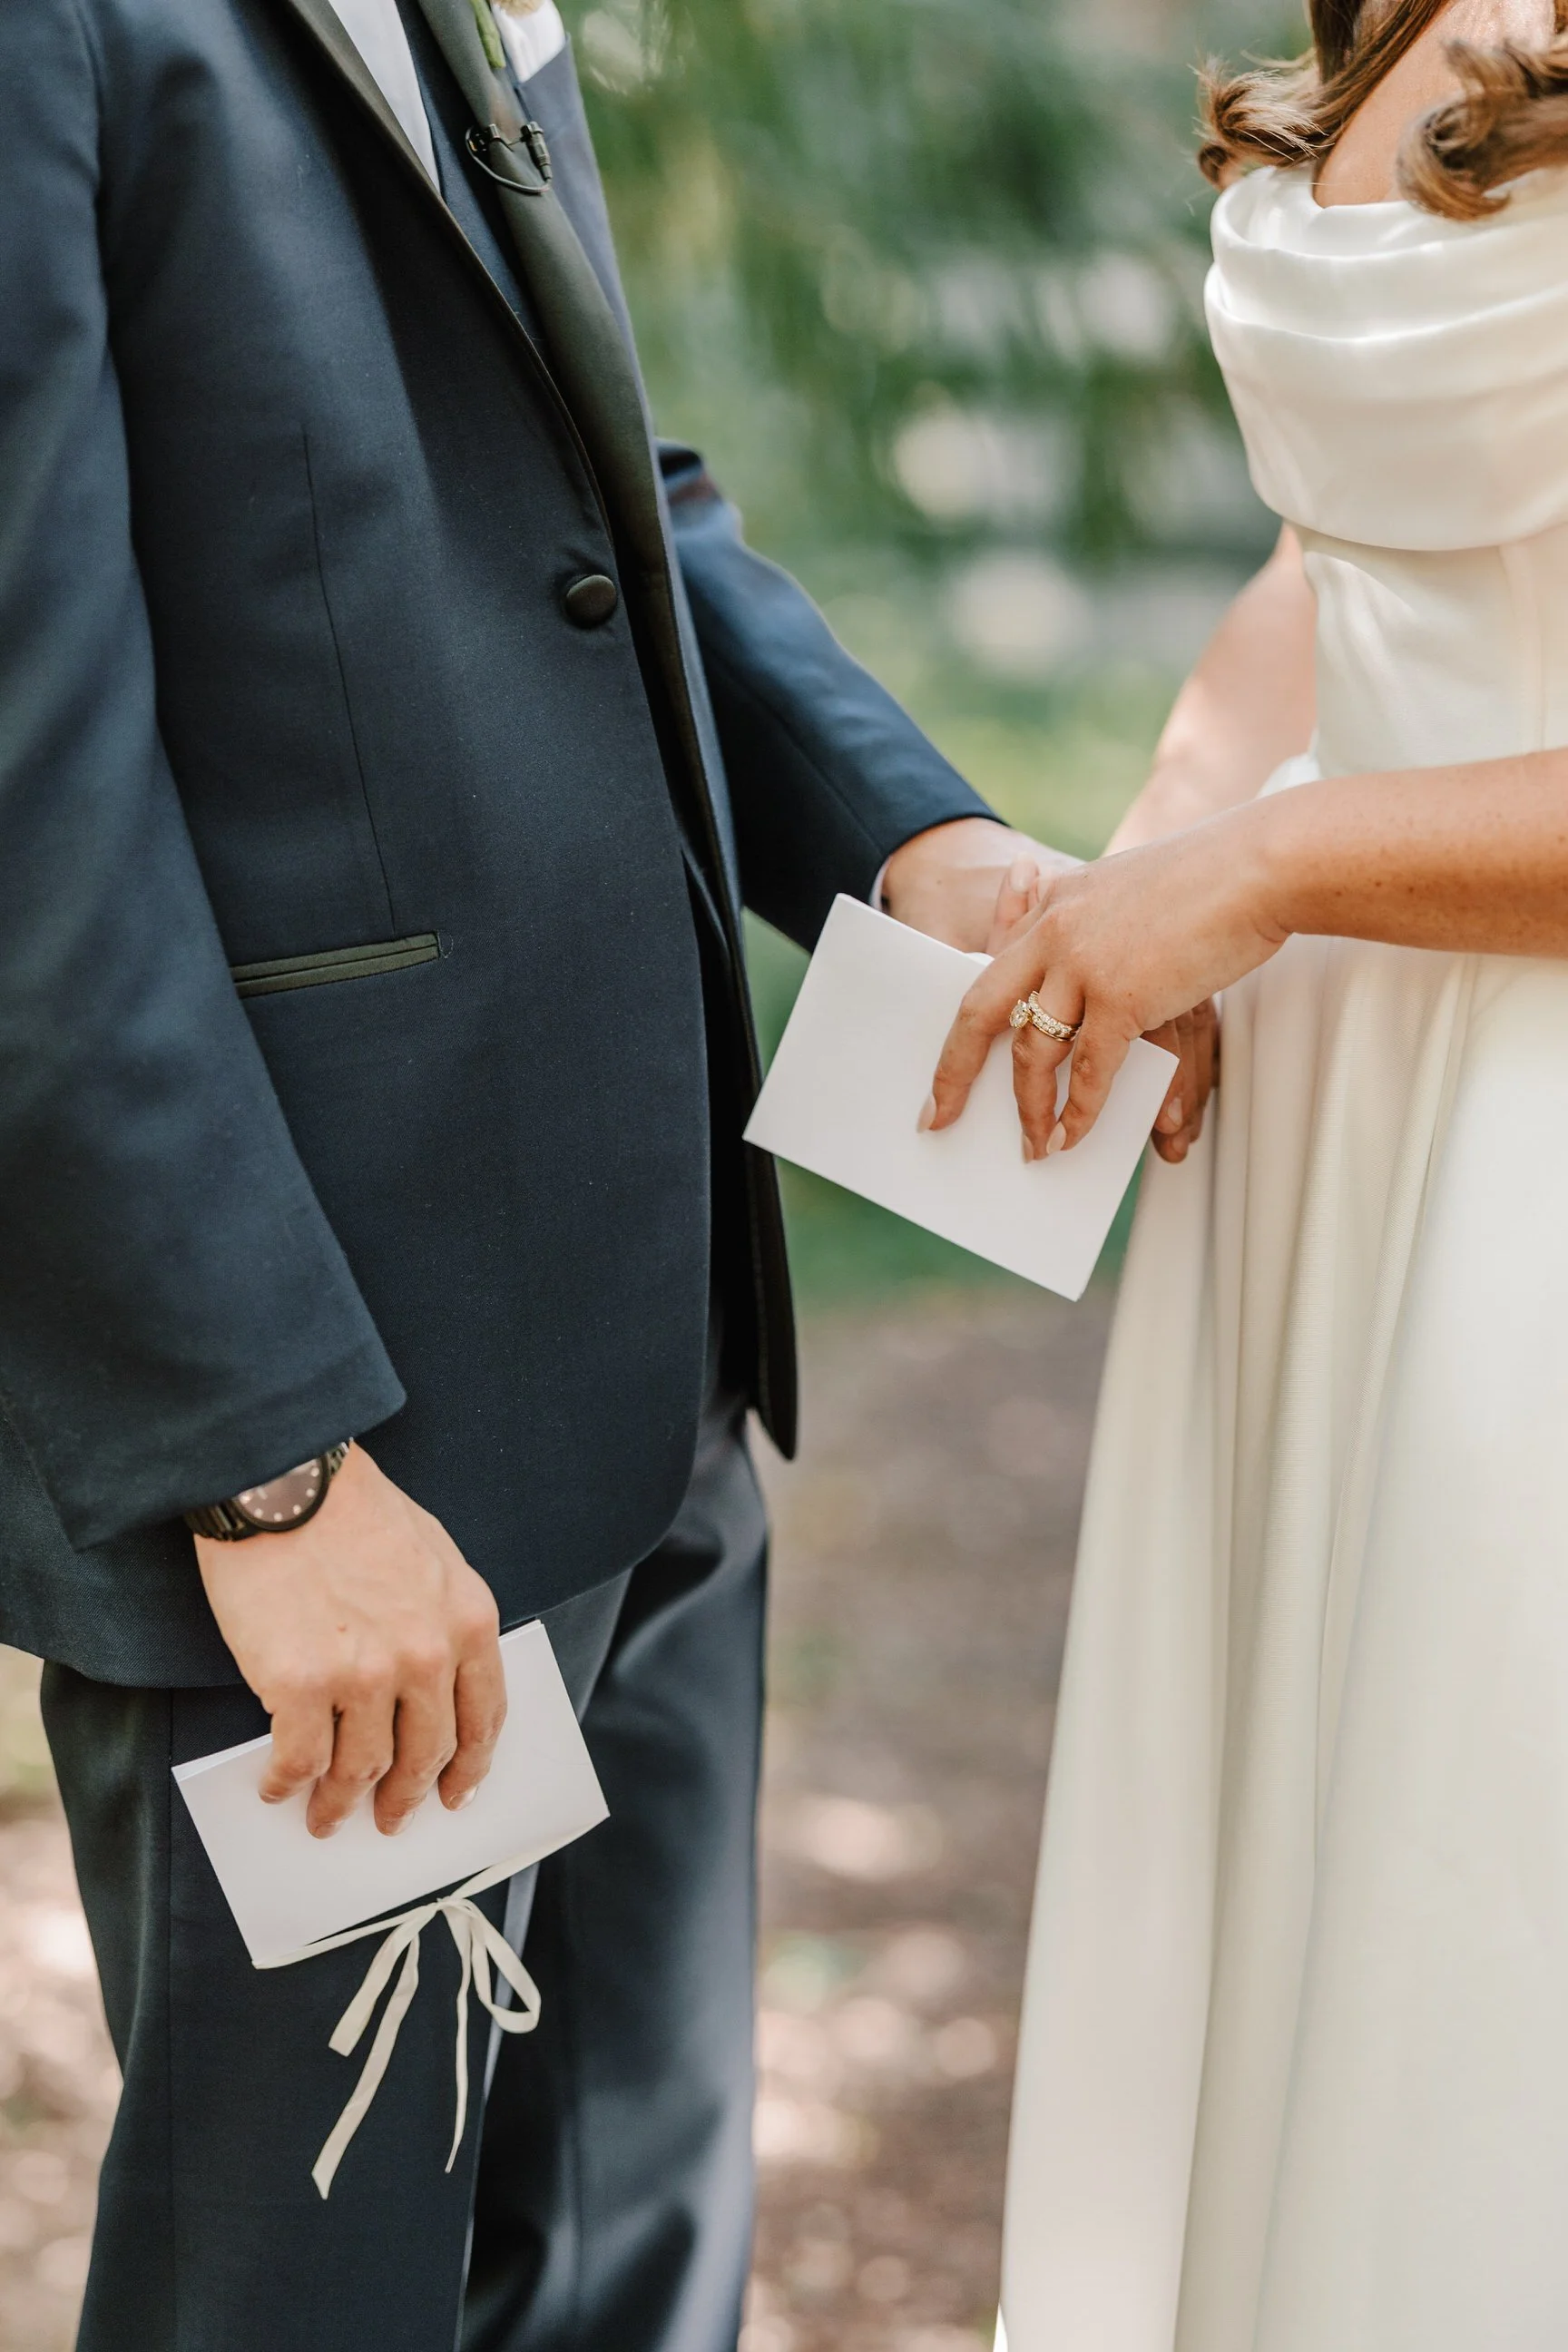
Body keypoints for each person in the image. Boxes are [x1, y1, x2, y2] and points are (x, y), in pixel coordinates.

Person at [0, 0, 1229, 2341]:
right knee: (315, 2298)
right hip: (335, 1448)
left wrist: (915, 840)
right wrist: (256, 1463)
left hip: (644, 1350)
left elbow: (597, 505)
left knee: (632, 2258)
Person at [924, 1, 1568, 2343]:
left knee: (1484, 1890)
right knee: (1294, 1890)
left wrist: (1283, 872)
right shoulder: (1381, 13)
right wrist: (1165, 859)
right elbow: (1347, 559)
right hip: (1311, 1128)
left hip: (1528, 1134)